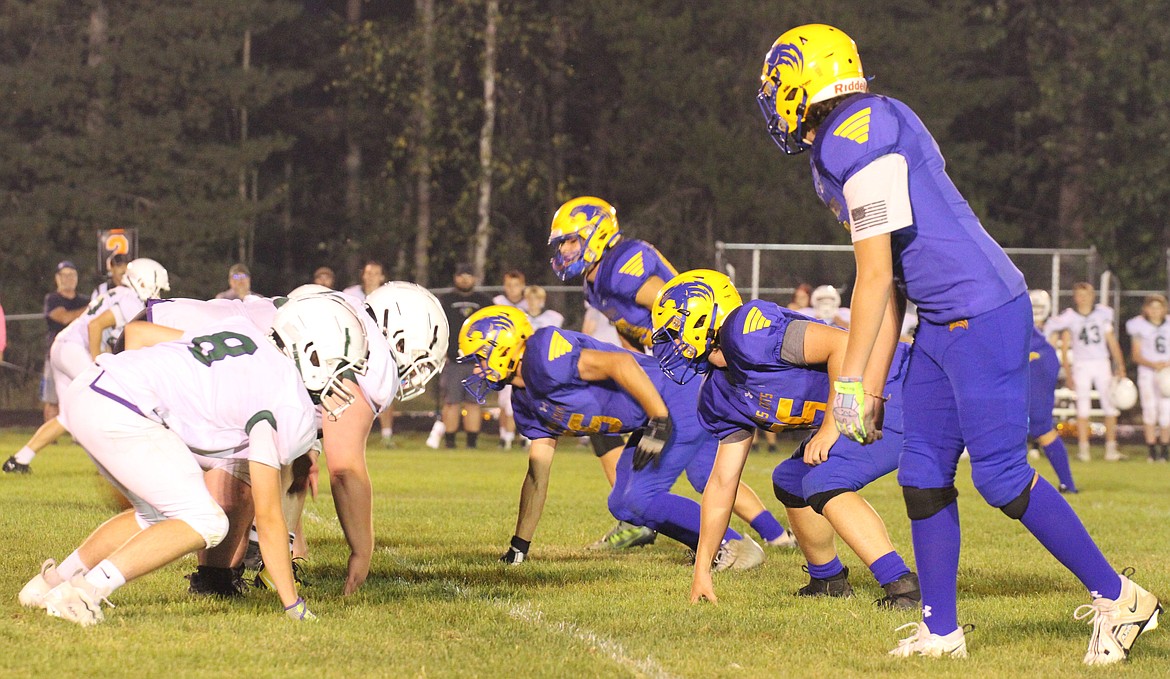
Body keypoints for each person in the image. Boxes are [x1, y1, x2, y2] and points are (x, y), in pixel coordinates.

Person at [757, 23, 1159, 662]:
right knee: (920, 476)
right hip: (941, 320)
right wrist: (874, 384)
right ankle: (941, 632)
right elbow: (889, 291)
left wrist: (850, 387)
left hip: (982, 310)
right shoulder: (858, 128)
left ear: (805, 82)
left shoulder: (856, 136)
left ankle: (1120, 598)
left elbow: (875, 276)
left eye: (779, 79)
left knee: (1000, 479)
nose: (772, 94)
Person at [18, 295, 368, 625]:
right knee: (208, 521)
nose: (344, 380)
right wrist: (293, 604)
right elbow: (269, 515)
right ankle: (84, 591)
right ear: (308, 351)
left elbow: (141, 335)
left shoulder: (245, 333)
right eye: (341, 366)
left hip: (96, 387)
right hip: (123, 407)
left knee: (155, 516)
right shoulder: (282, 395)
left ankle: (48, 582)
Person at [652, 270, 918, 609]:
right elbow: (721, 483)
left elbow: (842, 345)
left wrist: (829, 429)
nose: (672, 344)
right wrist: (703, 569)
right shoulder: (719, 393)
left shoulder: (749, 333)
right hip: (856, 406)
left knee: (824, 480)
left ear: (706, 314)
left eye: (675, 331)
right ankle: (828, 579)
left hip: (889, 390)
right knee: (791, 480)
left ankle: (903, 587)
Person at [549, 196, 793, 550]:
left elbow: (675, 304)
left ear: (596, 234)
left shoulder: (620, 268)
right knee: (704, 469)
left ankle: (719, 542)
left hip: (693, 365)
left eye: (571, 240)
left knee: (647, 488)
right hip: (679, 368)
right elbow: (625, 327)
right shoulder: (594, 281)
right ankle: (777, 536)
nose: (566, 250)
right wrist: (637, 370)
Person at [459, 305, 765, 570]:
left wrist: (658, 419)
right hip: (653, 413)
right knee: (623, 504)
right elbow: (537, 476)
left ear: (503, 346)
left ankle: (737, 546)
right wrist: (519, 546)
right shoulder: (524, 402)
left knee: (640, 497)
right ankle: (711, 546)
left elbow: (621, 364)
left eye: (480, 356)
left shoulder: (544, 357)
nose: (477, 367)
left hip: (675, 396)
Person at [5, 259, 170, 474]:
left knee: (68, 417)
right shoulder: (130, 299)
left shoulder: (118, 293)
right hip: (74, 348)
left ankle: (19, 460)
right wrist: (96, 360)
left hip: (63, 347)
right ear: (144, 283)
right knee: (109, 398)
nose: (158, 294)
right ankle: (119, 464)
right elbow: (95, 325)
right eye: (157, 288)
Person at [1050, 282, 1127, 462]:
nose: (1083, 298)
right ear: (1075, 297)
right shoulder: (1070, 317)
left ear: (1093, 296)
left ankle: (1111, 448)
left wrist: (1120, 364)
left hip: (1101, 362)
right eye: (1079, 294)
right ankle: (1084, 449)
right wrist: (1068, 373)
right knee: (1082, 407)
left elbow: (1111, 341)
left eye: (1086, 294)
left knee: (1110, 405)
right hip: (1081, 364)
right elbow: (1065, 346)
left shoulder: (1102, 314)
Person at [430, 263, 493, 449]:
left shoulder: (485, 301)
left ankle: (471, 443)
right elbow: (436, 327)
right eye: (461, 275)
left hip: (476, 361)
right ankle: (450, 443)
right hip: (453, 360)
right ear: (455, 277)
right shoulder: (445, 300)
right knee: (451, 402)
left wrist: (487, 356)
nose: (465, 279)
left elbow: (494, 329)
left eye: (469, 275)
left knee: (473, 403)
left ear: (475, 278)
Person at [1028, 290, 1078, 492]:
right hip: (1026, 359)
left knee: (1041, 426)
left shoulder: (1053, 326)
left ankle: (1068, 483)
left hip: (1035, 359)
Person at [342, 261, 395, 445]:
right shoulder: (350, 294)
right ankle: (351, 435)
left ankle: (386, 435)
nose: (371, 276)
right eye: (368, 272)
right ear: (363, 275)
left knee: (385, 392)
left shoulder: (388, 296)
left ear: (382, 277)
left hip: (381, 349)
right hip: (354, 349)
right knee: (351, 391)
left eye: (376, 273)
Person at [39, 261, 88, 424]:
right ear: (57, 278)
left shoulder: (84, 300)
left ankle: (79, 436)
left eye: (72, 274)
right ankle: (50, 441)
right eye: (64, 275)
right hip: (54, 355)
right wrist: (91, 308)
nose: (69, 279)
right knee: (52, 400)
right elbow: (63, 317)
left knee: (80, 398)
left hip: (80, 355)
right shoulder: (52, 299)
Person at [1125, 294, 1170, 462]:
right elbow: (1136, 355)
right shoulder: (1139, 326)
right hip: (1148, 372)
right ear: (1146, 309)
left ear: (1164, 309)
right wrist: (1153, 364)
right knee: (1150, 410)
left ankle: (1165, 450)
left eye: (1159, 307)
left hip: (1167, 372)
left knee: (1166, 412)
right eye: (1152, 307)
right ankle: (1152, 450)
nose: (1155, 311)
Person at [492, 270, 528, 449]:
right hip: (504, 357)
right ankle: (505, 437)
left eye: (515, 285)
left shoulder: (530, 303)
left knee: (527, 397)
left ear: (522, 286)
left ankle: (526, 436)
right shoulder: (498, 303)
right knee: (505, 400)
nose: (512, 289)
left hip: (525, 358)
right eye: (508, 285)